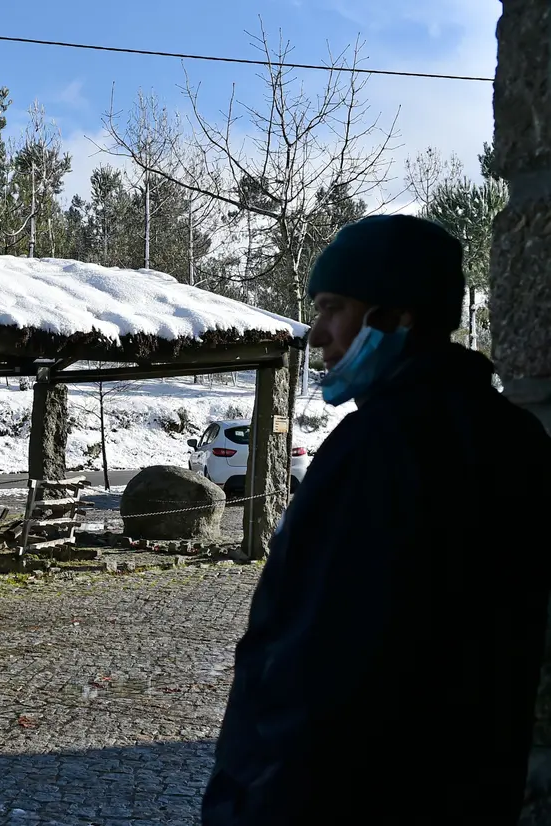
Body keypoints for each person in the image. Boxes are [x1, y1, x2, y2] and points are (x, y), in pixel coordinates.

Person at [201, 214, 551, 825]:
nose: (317, 334)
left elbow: (322, 667)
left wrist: (245, 804)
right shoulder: (516, 437)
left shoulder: (378, 451)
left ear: (400, 315)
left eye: (335, 307)